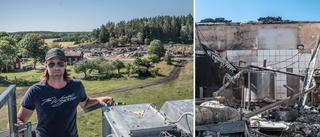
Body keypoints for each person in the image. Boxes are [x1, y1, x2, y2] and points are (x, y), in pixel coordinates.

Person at [15, 48, 114, 137]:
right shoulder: (35, 91)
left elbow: (85, 103)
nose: (56, 67)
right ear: (46, 65)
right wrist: (16, 125)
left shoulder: (76, 86)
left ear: (65, 65)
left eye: (60, 63)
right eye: (51, 64)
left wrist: (99, 99)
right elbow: (19, 119)